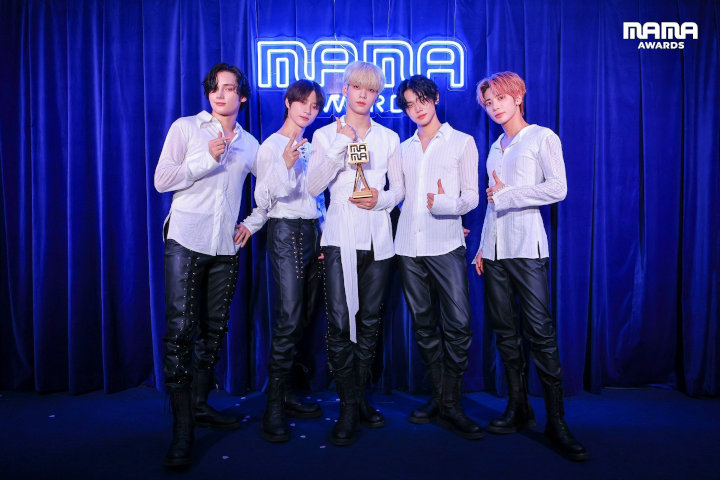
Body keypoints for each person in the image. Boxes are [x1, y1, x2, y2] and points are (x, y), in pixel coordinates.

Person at [154, 62, 265, 467]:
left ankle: (200, 405)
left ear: (242, 96)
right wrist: (206, 158)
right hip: (185, 239)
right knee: (181, 332)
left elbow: (268, 191)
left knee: (213, 332)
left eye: (229, 88)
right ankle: (182, 430)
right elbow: (162, 180)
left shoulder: (250, 144)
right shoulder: (186, 129)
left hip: (224, 248)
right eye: (215, 88)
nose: (220, 94)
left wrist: (252, 223)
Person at [474, 71, 588, 461]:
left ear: (518, 96)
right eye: (488, 103)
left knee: (540, 332)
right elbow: (492, 201)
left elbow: (558, 187)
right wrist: (482, 245)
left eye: (500, 98)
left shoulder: (541, 137)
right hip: (495, 250)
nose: (494, 107)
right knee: (506, 333)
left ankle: (556, 421)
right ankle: (518, 407)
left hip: (527, 248)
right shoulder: (495, 147)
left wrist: (510, 194)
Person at [307, 61, 403, 446]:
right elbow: (313, 186)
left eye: (372, 89)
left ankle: (358, 399)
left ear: (377, 95)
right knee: (340, 322)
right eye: (357, 87)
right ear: (345, 90)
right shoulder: (324, 135)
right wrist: (340, 143)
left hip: (379, 238)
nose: (364, 95)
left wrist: (380, 199)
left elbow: (399, 190)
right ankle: (348, 407)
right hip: (339, 236)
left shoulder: (389, 137)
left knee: (369, 322)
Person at [394, 75, 483, 440]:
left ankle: (449, 402)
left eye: (422, 101)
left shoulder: (462, 142)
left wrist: (446, 205)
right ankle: (443, 399)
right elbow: (398, 196)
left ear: (435, 99)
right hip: (408, 247)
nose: (417, 109)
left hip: (446, 243)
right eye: (409, 105)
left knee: (459, 324)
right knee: (424, 326)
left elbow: (473, 196)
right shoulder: (403, 148)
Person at [254, 80, 327, 442]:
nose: (308, 111)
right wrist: (284, 164)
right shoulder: (270, 146)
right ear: (287, 103)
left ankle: (289, 393)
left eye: (314, 106)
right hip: (285, 232)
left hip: (312, 232)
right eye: (302, 103)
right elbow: (262, 199)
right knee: (289, 318)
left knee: (306, 318)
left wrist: (324, 235)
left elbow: (318, 197)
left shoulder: (311, 148)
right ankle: (273, 406)